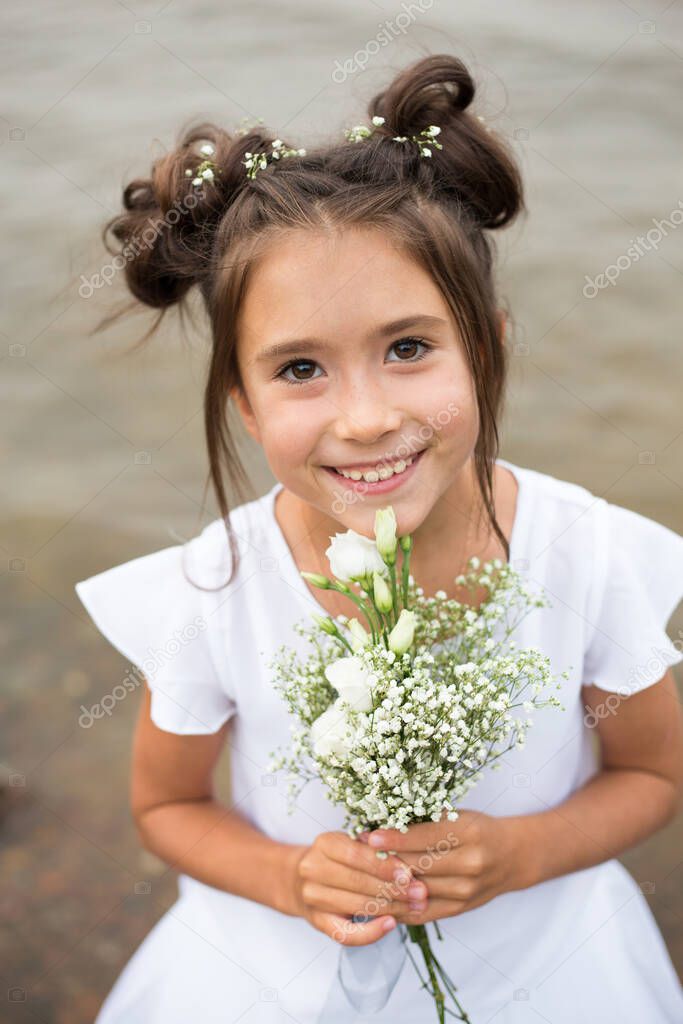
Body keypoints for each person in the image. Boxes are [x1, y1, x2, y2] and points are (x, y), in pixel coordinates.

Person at [75, 53, 683, 1023]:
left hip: (536, 949)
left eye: (407, 348)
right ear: (241, 400)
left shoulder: (583, 555)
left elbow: (650, 774)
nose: (362, 418)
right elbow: (168, 807)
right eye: (300, 368)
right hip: (278, 960)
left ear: (482, 345)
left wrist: (522, 852)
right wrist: (288, 875)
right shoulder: (215, 586)